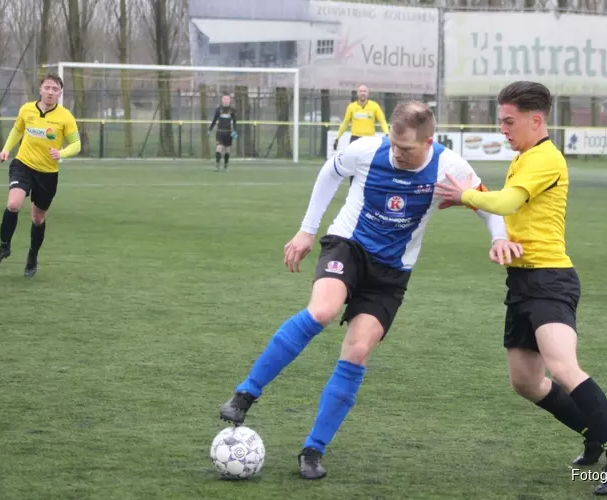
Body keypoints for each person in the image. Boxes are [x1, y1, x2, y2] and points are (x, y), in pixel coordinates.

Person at [219, 101, 522, 480]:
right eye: (395, 144)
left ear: (429, 141)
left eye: (407, 149)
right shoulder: (366, 151)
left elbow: (488, 204)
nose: (398, 153)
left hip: (392, 271)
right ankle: (246, 393)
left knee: (358, 350)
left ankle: (314, 448)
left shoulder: (451, 167)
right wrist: (307, 230)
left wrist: (498, 238)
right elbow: (330, 172)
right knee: (322, 312)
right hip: (349, 246)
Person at [435, 81, 607, 496]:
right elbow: (516, 212)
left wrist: (466, 197)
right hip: (523, 280)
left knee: (563, 367)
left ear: (537, 119)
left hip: (550, 279)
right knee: (526, 382)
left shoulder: (545, 158)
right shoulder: (525, 157)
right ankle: (593, 433)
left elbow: (508, 202)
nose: (503, 130)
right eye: (500, 122)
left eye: (509, 122)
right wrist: (499, 235)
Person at [0, 72, 81, 277]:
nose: (50, 92)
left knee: (38, 219)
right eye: (47, 87)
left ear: (59, 93)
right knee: (13, 204)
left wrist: (62, 153)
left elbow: (76, 144)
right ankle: (4, 247)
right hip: (23, 164)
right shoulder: (26, 109)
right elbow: (17, 131)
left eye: (55, 89)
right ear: (40, 90)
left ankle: (33, 254)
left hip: (48, 173)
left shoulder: (65, 117)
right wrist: (6, 149)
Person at [334, 85, 390, 186]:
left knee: (368, 164)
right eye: (360, 91)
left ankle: (367, 185)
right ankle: (352, 185)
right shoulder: (352, 107)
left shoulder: (374, 106)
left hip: (369, 140)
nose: (363, 93)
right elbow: (345, 123)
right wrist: (338, 137)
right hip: (355, 138)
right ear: (357, 94)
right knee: (352, 164)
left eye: (364, 91)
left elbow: (382, 120)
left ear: (367, 93)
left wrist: (387, 133)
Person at [207, 95, 238, 171]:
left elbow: (234, 122)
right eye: (224, 99)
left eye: (227, 99)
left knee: (227, 150)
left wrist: (235, 130)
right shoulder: (218, 109)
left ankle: (225, 166)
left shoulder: (232, 110)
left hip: (228, 133)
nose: (226, 101)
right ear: (222, 100)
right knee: (219, 148)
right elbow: (214, 120)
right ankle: (217, 165)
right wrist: (210, 129)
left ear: (230, 100)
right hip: (220, 132)